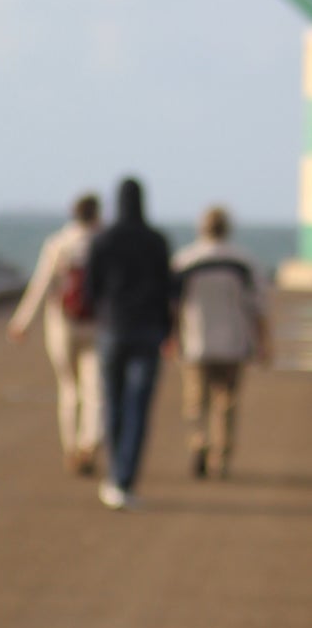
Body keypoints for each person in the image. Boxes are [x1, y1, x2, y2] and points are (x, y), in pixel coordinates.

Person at [86, 175, 173, 511]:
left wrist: (105, 316)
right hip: (148, 332)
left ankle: (114, 476)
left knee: (113, 402)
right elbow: (167, 288)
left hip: (112, 330)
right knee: (138, 406)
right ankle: (125, 478)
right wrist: (168, 330)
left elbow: (91, 289)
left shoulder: (103, 239)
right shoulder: (156, 241)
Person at [7, 192, 103, 474]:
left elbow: (41, 284)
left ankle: (71, 448)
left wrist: (21, 322)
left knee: (69, 388)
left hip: (62, 325)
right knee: (95, 390)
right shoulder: (103, 243)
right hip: (96, 326)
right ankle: (90, 443)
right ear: (97, 214)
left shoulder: (58, 244)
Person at [170, 205, 269, 479]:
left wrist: (172, 336)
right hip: (233, 344)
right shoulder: (243, 262)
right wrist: (264, 342)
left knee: (194, 402)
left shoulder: (185, 260)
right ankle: (221, 457)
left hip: (195, 343)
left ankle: (198, 441)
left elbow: (174, 306)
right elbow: (258, 307)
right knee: (226, 403)